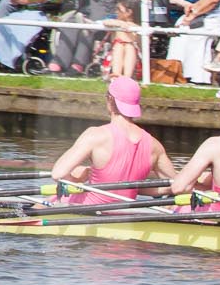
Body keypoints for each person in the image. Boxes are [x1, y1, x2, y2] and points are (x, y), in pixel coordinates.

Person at [50, 77, 177, 205]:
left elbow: (58, 174)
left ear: (110, 100)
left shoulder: (96, 135)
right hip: (125, 214)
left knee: (52, 198)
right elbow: (177, 185)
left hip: (88, 210)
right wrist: (131, 187)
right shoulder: (155, 145)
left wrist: (77, 180)